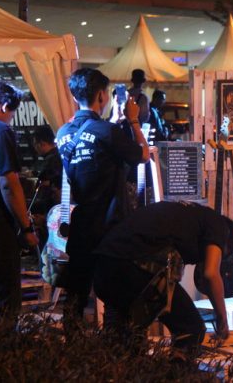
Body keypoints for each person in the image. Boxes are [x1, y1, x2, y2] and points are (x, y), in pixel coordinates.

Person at [56, 68, 149, 323]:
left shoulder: (63, 133)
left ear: (75, 96)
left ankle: (73, 341)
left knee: (76, 294)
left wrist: (115, 122)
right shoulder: (107, 131)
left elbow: (96, 145)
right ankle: (113, 343)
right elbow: (142, 155)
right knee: (115, 294)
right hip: (110, 226)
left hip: (81, 224)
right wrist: (133, 121)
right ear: (101, 96)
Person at [93, 201, 230, 353]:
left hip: (103, 265)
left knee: (125, 338)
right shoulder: (219, 226)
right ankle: (176, 368)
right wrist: (222, 319)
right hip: (132, 265)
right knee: (191, 329)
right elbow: (210, 274)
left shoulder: (190, 217)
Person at [0, 80, 38, 321]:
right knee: (4, 303)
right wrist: (26, 228)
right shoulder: (0, 131)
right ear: (4, 106)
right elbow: (9, 183)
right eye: (13, 112)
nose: (11, 119)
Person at [30, 125, 62, 221]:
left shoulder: (51, 160)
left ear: (41, 143)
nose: (35, 148)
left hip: (53, 210)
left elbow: (44, 180)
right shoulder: (59, 154)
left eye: (35, 144)